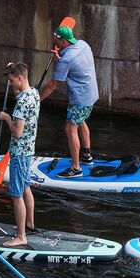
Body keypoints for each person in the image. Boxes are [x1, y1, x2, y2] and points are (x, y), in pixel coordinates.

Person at [39, 22, 98, 177]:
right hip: (91, 94)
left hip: (80, 99)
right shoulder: (83, 45)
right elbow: (74, 61)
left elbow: (53, 85)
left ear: (64, 42)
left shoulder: (66, 59)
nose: (55, 43)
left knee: (71, 128)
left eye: (57, 41)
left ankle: (76, 168)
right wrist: (60, 59)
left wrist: (36, 100)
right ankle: (87, 156)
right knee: (81, 121)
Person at [0, 61, 40, 247]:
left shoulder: (22, 102)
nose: (10, 84)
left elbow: (17, 132)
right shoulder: (34, 93)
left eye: (12, 80)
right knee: (26, 188)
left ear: (20, 79)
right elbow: (18, 91)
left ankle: (21, 236)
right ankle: (29, 224)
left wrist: (6, 118)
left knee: (16, 194)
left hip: (19, 152)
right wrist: (12, 66)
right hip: (29, 150)